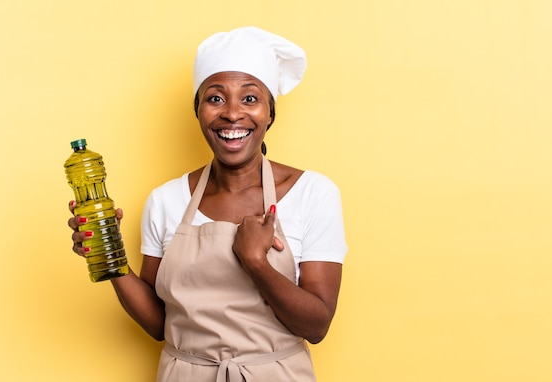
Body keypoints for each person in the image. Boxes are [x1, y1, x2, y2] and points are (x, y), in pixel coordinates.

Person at [68, 26, 347, 381]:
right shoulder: (166, 200)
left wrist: (256, 263)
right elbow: (159, 324)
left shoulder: (312, 193)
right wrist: (111, 259)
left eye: (250, 98)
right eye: (215, 98)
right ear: (197, 111)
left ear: (270, 113)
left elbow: (317, 325)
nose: (232, 114)